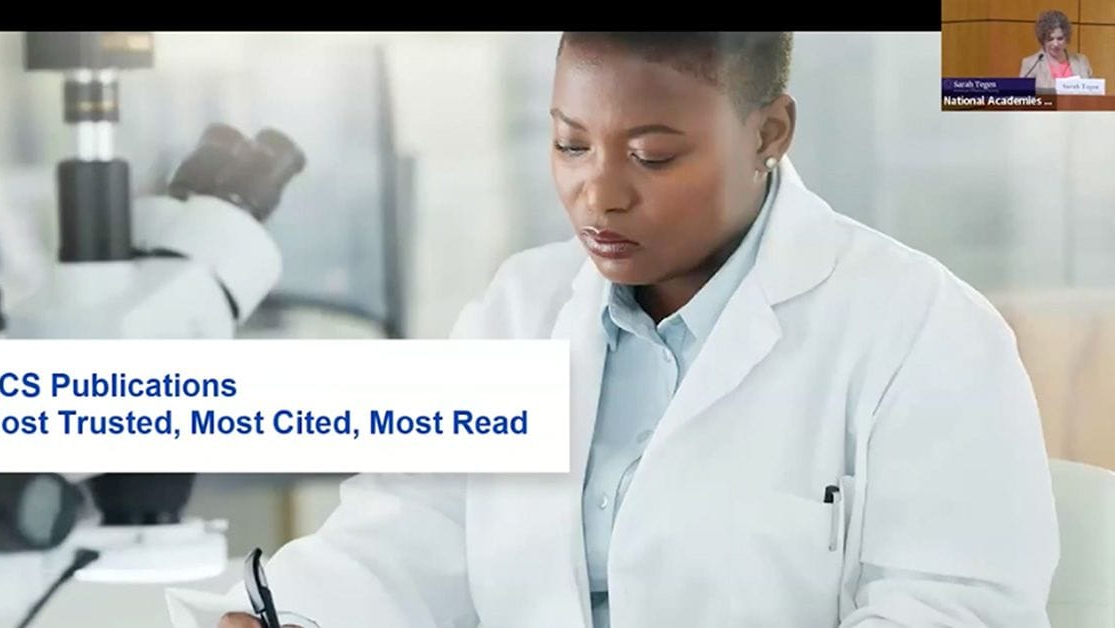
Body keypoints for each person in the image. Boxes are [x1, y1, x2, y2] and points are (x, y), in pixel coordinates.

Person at [220, 32, 1060, 627]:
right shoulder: (521, 309)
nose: (600, 194)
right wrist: (292, 618)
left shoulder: (920, 331)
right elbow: (413, 527)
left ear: (769, 132)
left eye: (653, 156)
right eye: (570, 144)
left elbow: (957, 606)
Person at [1020, 10, 1094, 91]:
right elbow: (1023, 96)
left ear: (1067, 37)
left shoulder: (1081, 61)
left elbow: (1094, 94)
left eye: (1060, 38)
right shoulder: (1031, 64)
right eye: (1050, 39)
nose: (1055, 44)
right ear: (1043, 40)